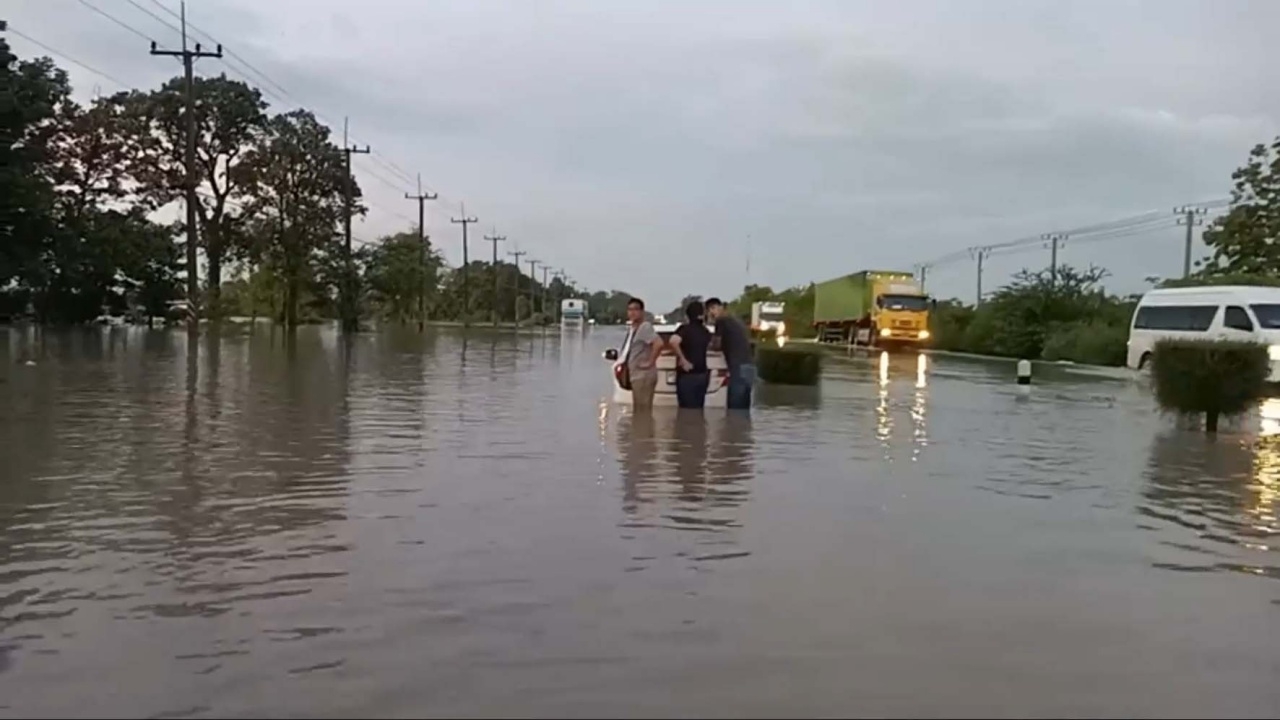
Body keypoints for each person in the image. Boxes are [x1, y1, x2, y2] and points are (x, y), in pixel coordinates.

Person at [705, 297, 755, 410]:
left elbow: (716, 344)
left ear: (719, 307)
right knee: (744, 408)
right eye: (709, 311)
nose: (712, 313)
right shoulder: (736, 320)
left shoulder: (721, 321)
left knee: (734, 408)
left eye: (712, 309)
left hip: (737, 366)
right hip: (749, 366)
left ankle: (733, 427)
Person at [668, 300, 712, 409]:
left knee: (686, 411)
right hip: (702, 375)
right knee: (698, 410)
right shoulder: (705, 331)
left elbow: (673, 341)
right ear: (702, 314)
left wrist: (683, 359)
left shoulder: (684, 329)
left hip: (687, 376)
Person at [624, 297, 664, 410]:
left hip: (643, 376)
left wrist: (650, 362)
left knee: (643, 411)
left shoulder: (645, 327)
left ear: (642, 312)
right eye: (630, 309)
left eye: (636, 309)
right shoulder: (633, 329)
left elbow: (659, 343)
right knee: (639, 410)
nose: (632, 312)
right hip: (636, 376)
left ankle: (645, 428)